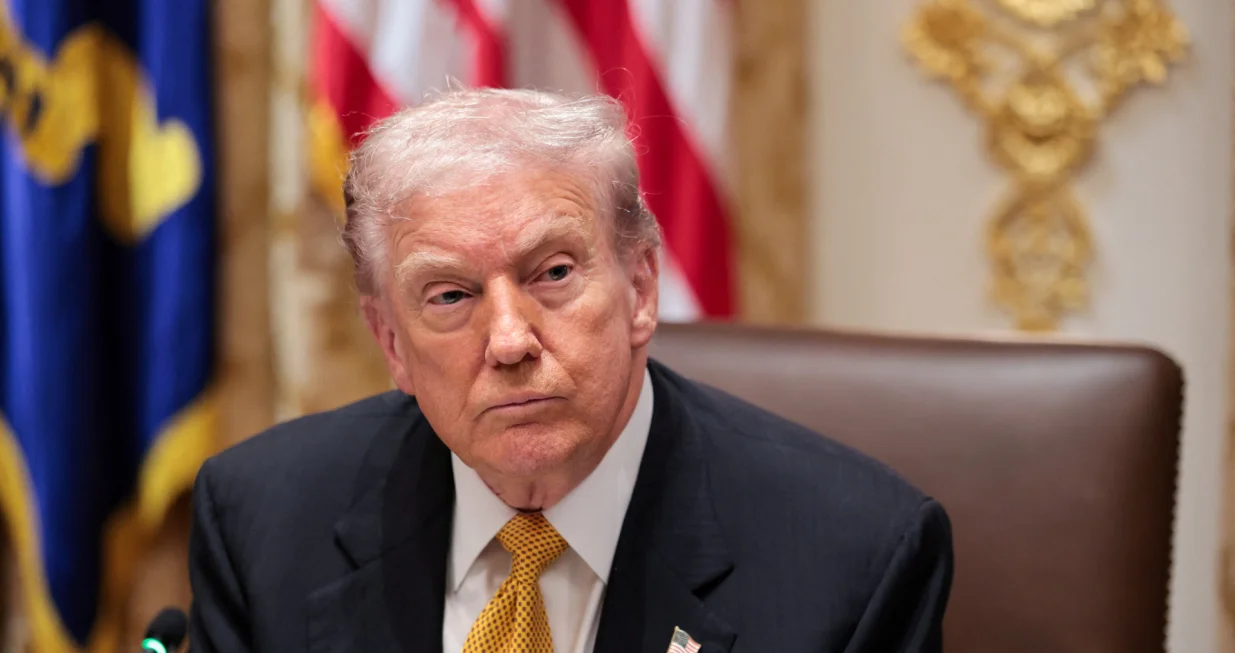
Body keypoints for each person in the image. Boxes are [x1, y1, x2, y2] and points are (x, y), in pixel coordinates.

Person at [187, 88, 953, 653]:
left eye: (552, 273)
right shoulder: (261, 519)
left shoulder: (853, 559)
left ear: (640, 289)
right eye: (450, 295)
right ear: (390, 342)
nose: (511, 339)